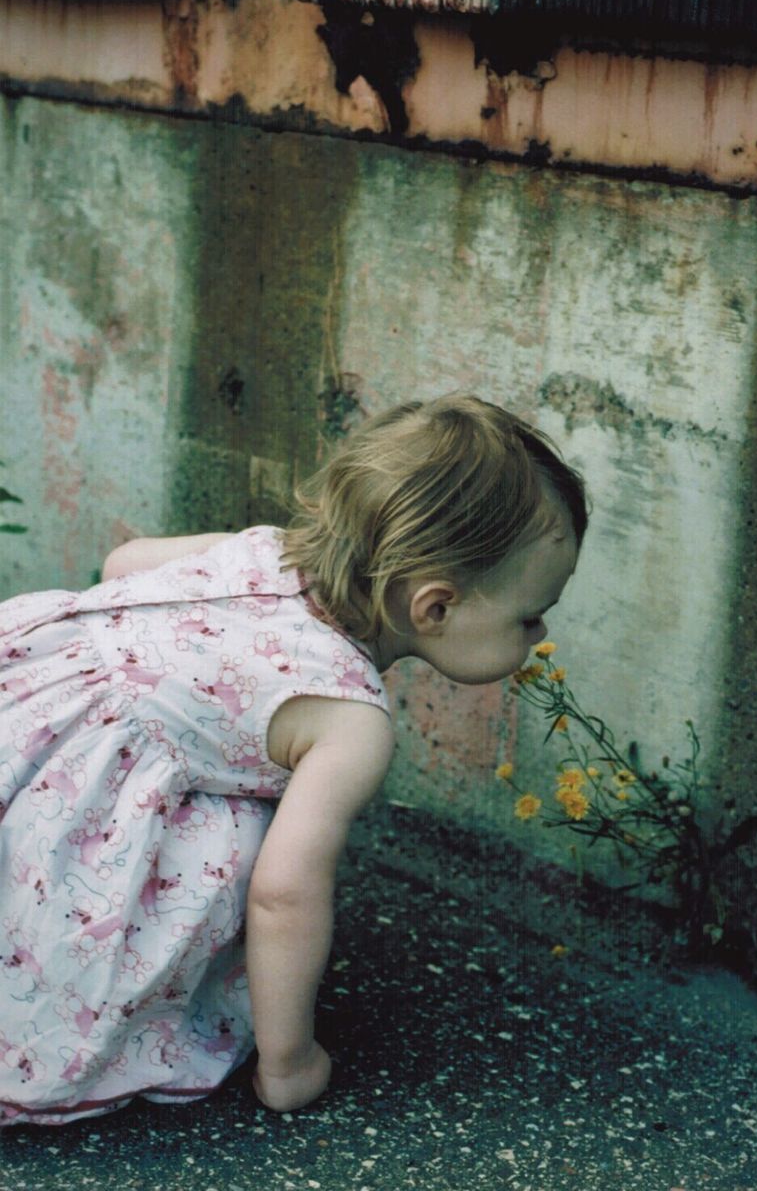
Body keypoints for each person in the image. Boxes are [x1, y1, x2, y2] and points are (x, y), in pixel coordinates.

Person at [0, 394, 586, 1125]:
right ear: (435, 608)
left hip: (24, 714)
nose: (538, 633)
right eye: (528, 617)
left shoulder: (265, 547)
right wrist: (290, 1063)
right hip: (60, 822)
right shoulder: (348, 719)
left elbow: (124, 562)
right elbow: (284, 895)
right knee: (238, 835)